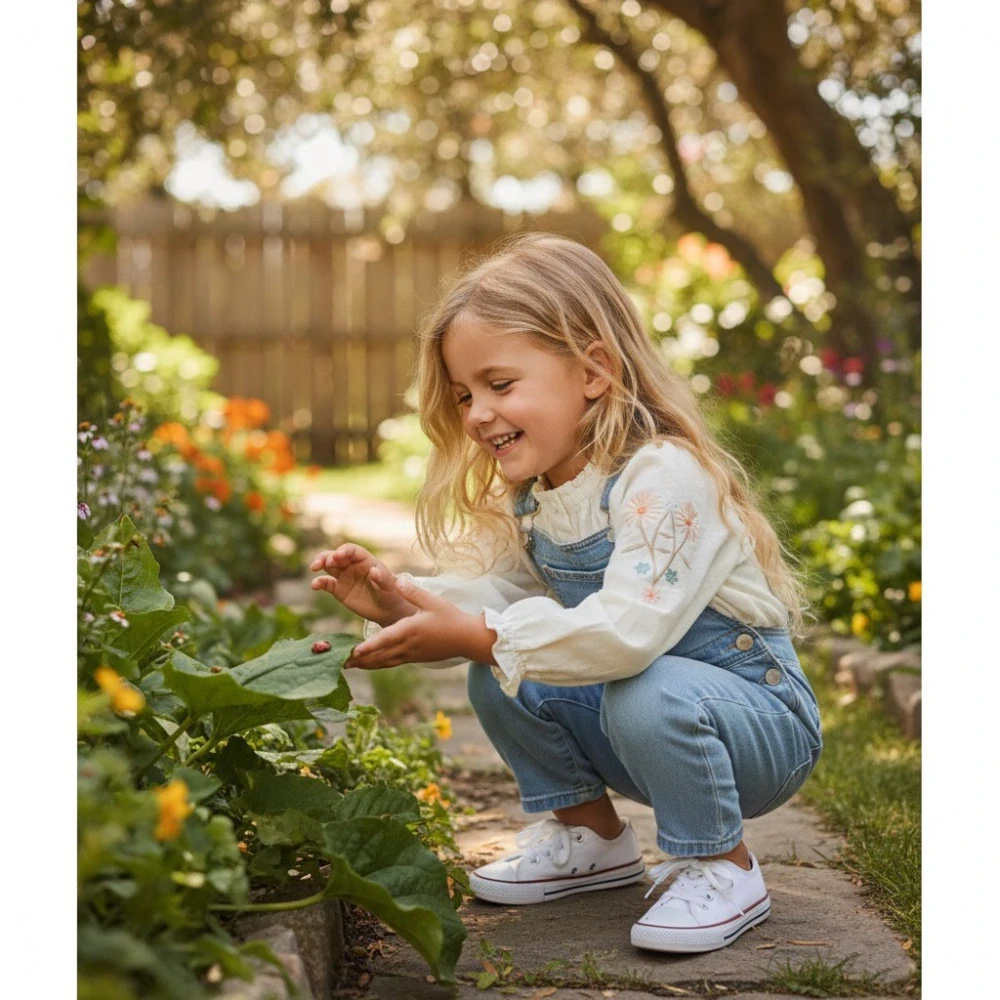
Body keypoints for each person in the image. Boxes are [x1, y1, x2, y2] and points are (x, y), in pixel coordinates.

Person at [310, 233, 822, 955]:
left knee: (635, 684)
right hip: (644, 719)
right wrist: (403, 598)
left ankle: (721, 866)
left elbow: (628, 633)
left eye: (500, 384)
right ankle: (592, 837)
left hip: (755, 728)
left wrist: (478, 634)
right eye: (464, 395)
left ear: (593, 372)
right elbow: (504, 593)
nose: (479, 413)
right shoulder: (540, 494)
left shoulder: (662, 478)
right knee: (502, 671)